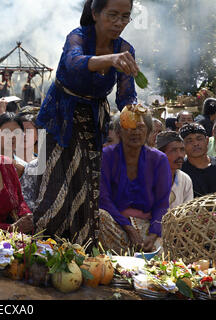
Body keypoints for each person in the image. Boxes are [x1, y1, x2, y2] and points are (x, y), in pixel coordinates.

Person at [33, 0, 138, 244]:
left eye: (125, 16)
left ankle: (79, 253)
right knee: (56, 185)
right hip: (61, 119)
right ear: (95, 13)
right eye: (112, 15)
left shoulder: (125, 50)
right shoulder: (77, 37)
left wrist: (134, 110)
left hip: (92, 122)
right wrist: (110, 59)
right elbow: (75, 62)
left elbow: (125, 96)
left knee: (86, 187)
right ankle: (43, 251)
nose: (119, 22)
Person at [98, 111, 171, 253]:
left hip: (148, 225)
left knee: (160, 248)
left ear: (148, 131)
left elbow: (162, 203)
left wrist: (153, 234)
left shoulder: (159, 159)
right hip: (116, 223)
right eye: (128, 127)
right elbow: (103, 199)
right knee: (100, 216)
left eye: (140, 127)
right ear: (119, 131)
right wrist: (128, 228)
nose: (135, 132)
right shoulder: (107, 156)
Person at [155, 131, 193, 209]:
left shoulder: (185, 179)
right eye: (174, 150)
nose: (180, 155)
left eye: (182, 150)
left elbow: (187, 212)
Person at [179, 123, 216, 198]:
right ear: (182, 145)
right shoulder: (179, 171)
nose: (195, 144)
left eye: (199, 139)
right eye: (190, 141)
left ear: (207, 140)